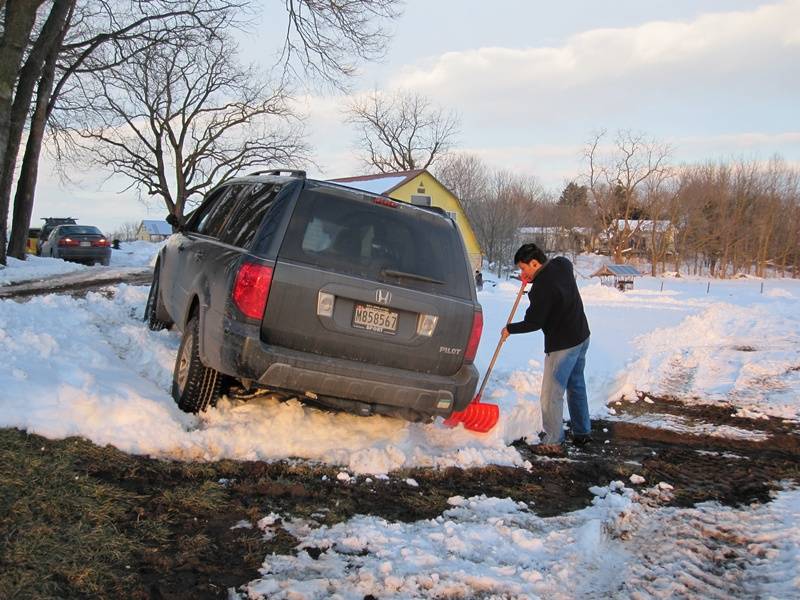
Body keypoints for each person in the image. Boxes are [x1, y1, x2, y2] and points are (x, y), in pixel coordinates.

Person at [501, 243, 591, 454]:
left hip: (563, 345)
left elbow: (534, 322)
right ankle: (582, 432)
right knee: (576, 385)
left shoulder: (542, 288)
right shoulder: (562, 264)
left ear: (534, 263)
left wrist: (509, 329)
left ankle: (553, 442)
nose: (522, 273)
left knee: (551, 395)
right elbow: (559, 270)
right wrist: (531, 281)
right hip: (581, 336)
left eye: (523, 268)